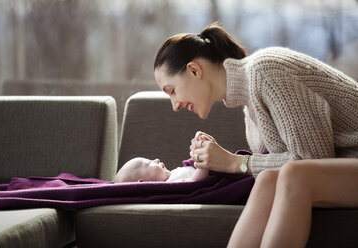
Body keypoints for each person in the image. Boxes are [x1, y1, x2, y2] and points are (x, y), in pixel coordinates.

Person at [153, 22, 358, 247]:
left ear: (194, 70)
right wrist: (226, 162)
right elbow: (283, 167)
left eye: (172, 91)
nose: (174, 105)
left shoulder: (265, 71)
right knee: (269, 178)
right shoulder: (249, 105)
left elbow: (312, 162)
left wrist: (235, 163)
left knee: (294, 174)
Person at [114, 157, 209, 183]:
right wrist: (203, 164)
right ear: (143, 182)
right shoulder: (171, 184)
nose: (156, 159)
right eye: (149, 163)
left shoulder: (173, 174)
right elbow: (194, 182)